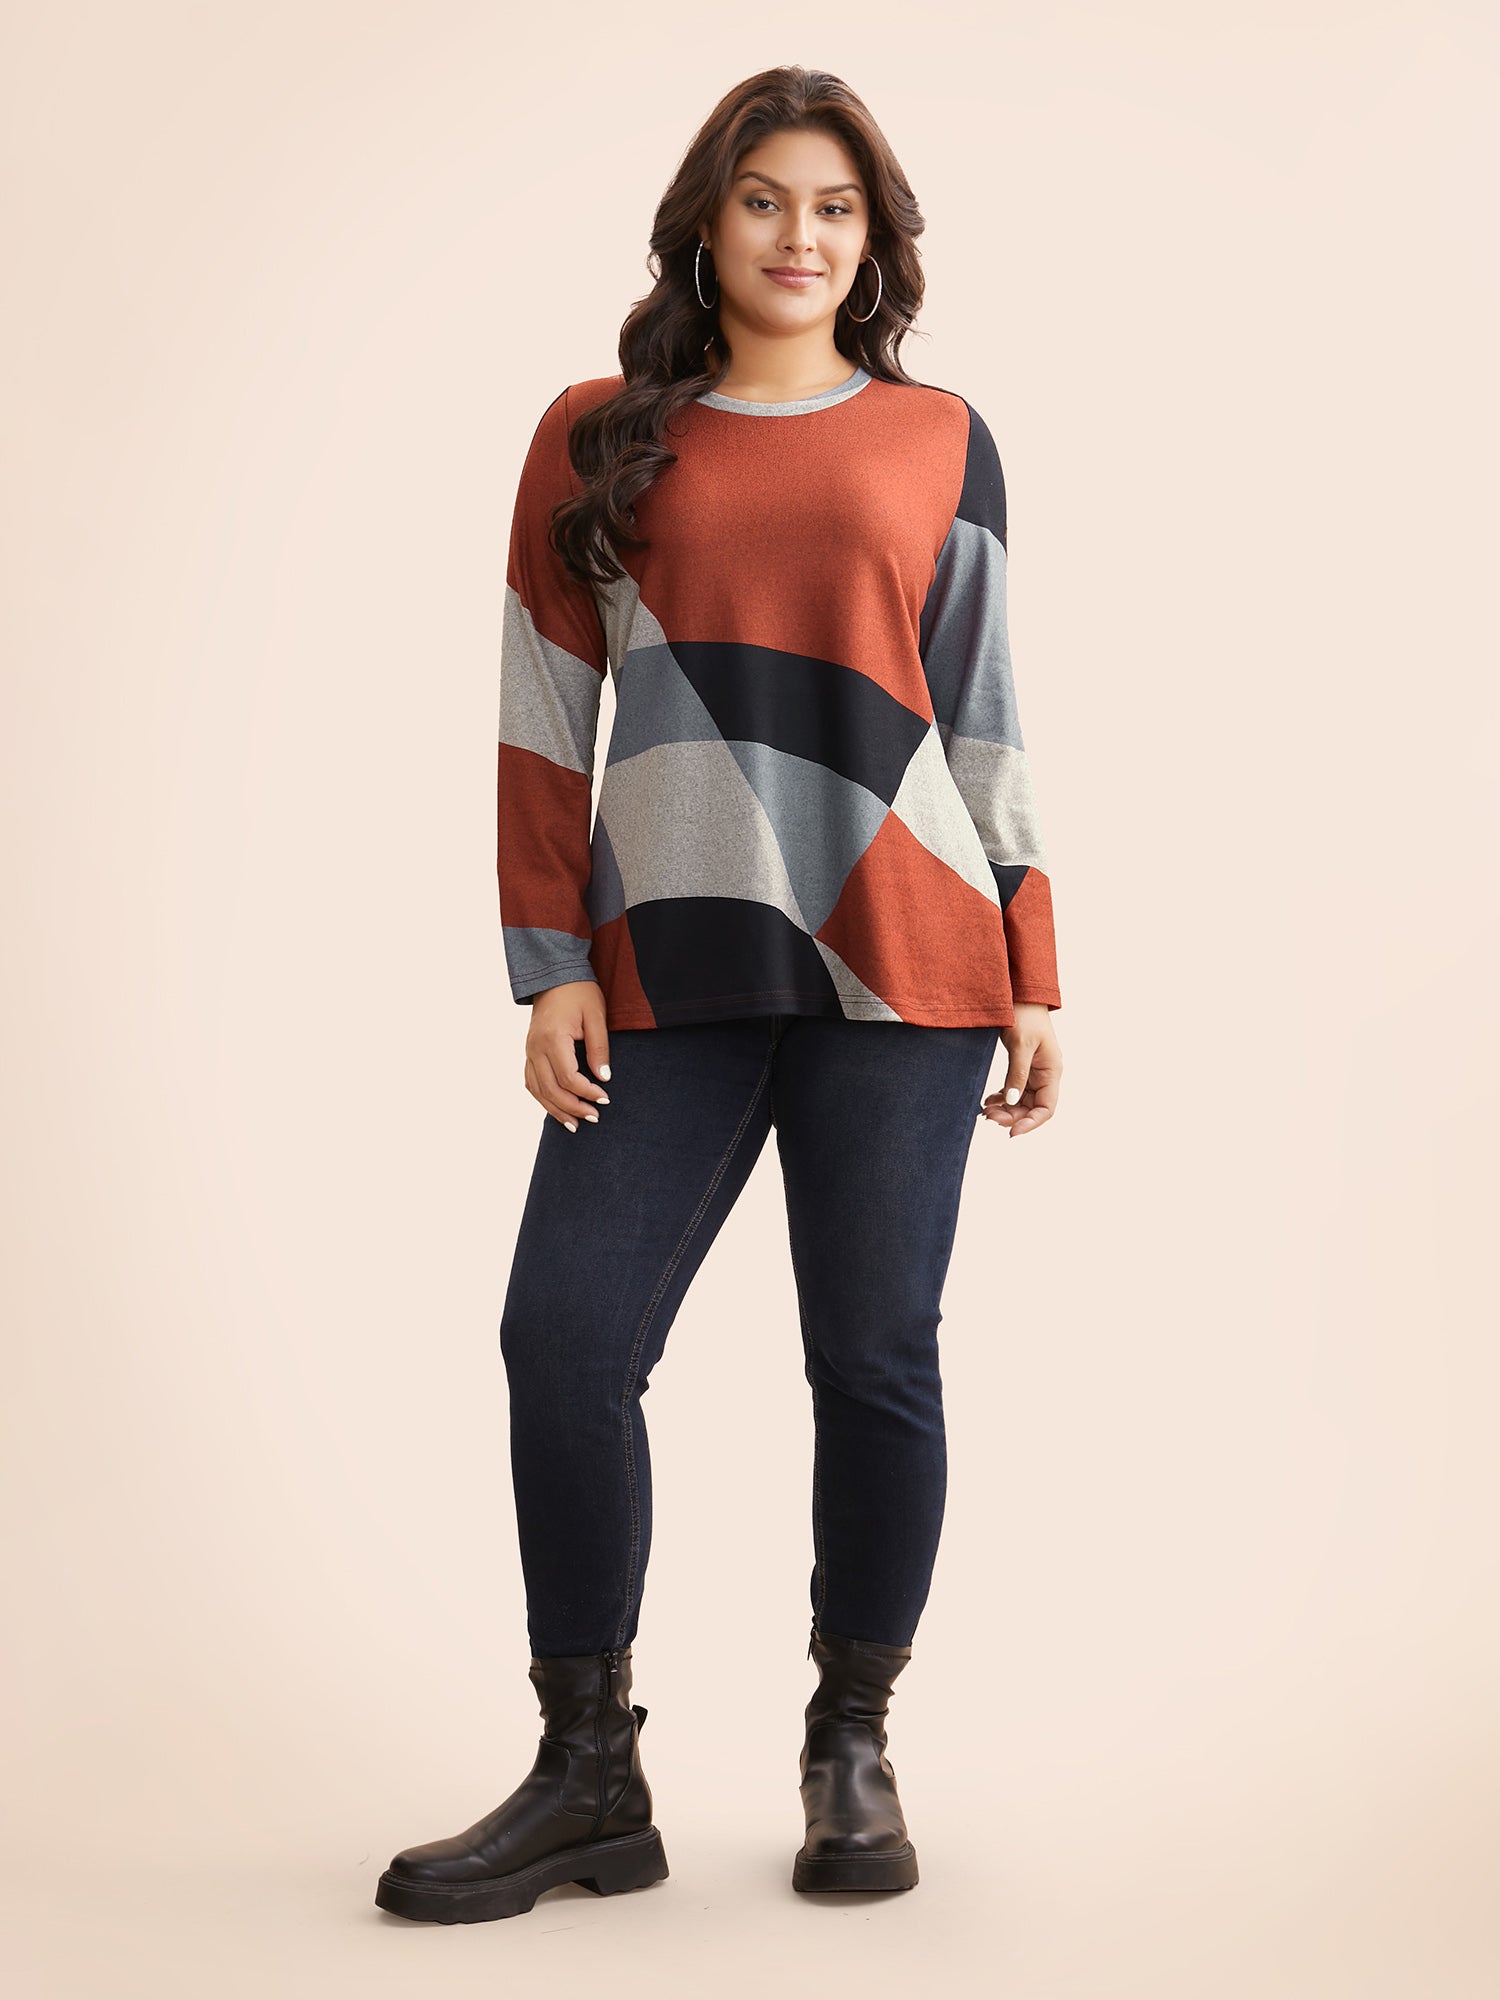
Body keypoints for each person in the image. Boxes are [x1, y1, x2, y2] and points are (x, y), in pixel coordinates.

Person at [375, 63, 1064, 1926]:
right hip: (666, 963)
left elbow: (983, 709)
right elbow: (541, 705)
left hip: (905, 961)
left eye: (835, 207)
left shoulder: (939, 437)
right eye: (765, 200)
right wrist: (547, 964)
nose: (798, 237)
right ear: (707, 220)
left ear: (876, 238)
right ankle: (588, 1770)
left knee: (875, 1360)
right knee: (563, 1342)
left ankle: (854, 1741)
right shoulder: (595, 434)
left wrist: (1034, 959)